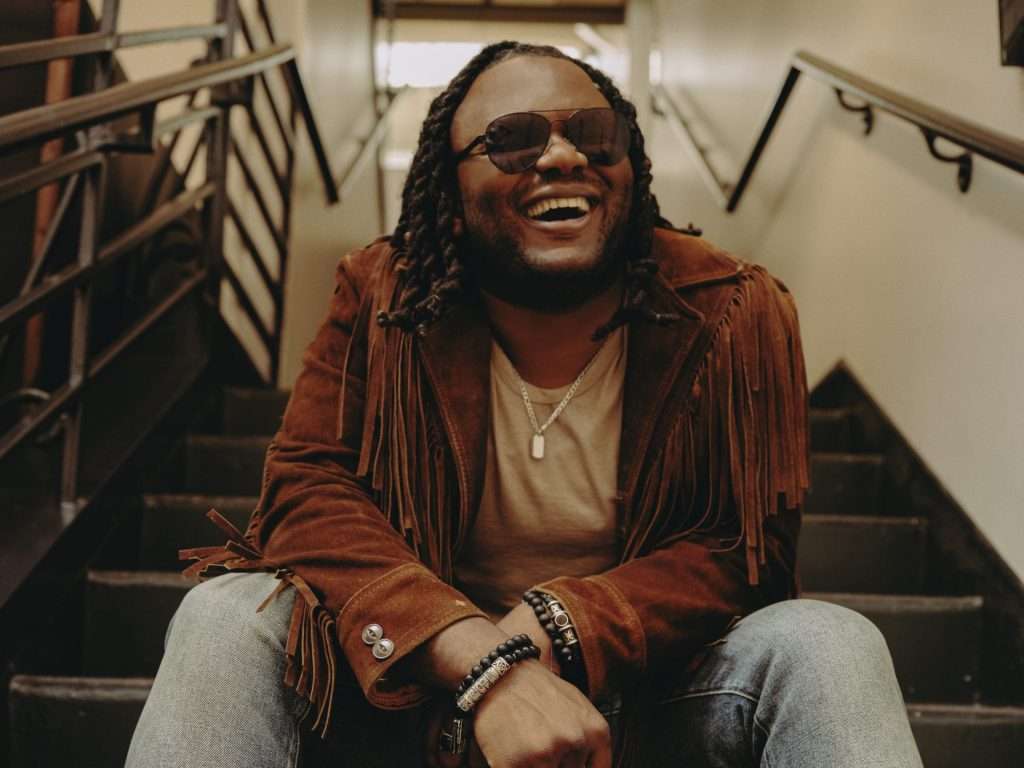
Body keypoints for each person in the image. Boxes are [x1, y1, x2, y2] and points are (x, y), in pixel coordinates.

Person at [126, 42, 924, 768]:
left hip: (643, 699)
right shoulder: (384, 298)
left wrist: (559, 624)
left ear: (629, 161)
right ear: (451, 187)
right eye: (513, 139)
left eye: (595, 133)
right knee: (227, 614)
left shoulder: (728, 312)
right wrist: (481, 660)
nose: (563, 155)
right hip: (410, 688)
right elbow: (307, 491)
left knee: (828, 641)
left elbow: (740, 551)